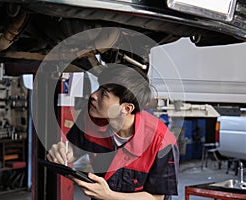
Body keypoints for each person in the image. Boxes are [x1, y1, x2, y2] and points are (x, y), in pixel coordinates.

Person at [47, 64, 179, 200]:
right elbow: (75, 150)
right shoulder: (91, 119)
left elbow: (156, 197)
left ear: (126, 109)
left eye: (104, 94)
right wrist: (62, 153)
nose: (93, 95)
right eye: (98, 88)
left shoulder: (162, 142)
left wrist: (109, 196)